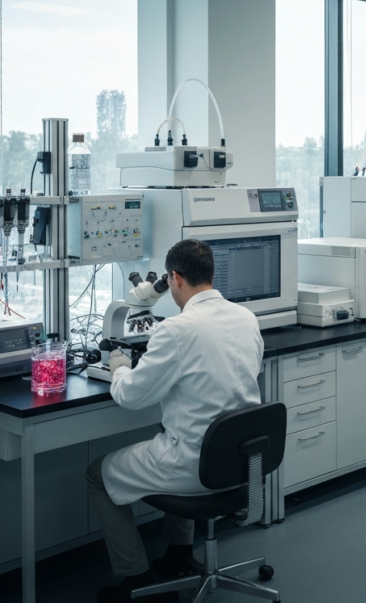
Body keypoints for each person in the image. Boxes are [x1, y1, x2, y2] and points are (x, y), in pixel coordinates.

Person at [87, 239, 264, 603]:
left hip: (192, 467)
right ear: (211, 274)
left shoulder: (176, 330)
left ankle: (136, 579)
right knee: (171, 432)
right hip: (240, 462)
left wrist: (118, 367)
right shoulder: (247, 318)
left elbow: (130, 396)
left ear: (175, 278)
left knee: (96, 475)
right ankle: (178, 555)